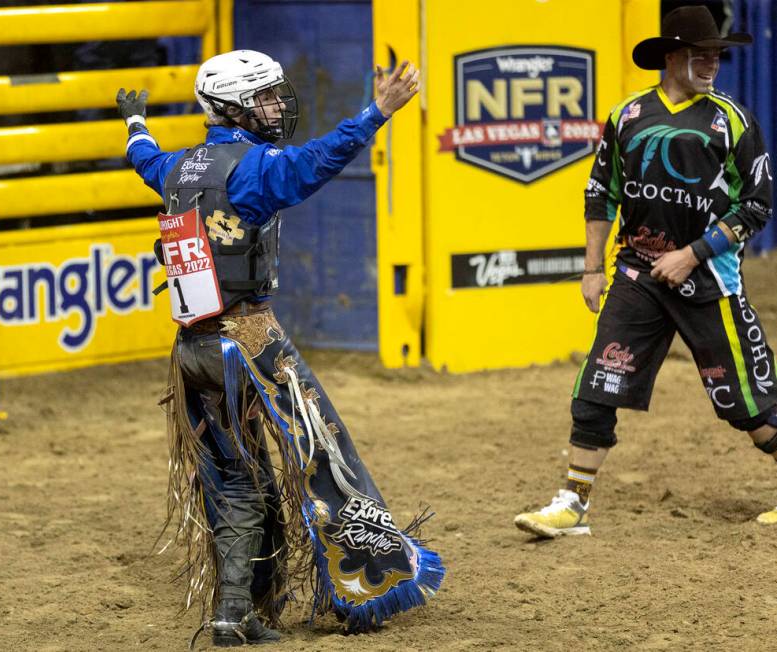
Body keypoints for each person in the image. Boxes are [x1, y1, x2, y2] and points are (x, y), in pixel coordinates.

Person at [116, 50, 443, 646]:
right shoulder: (254, 169)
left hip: (192, 350)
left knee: (235, 478)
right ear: (232, 106)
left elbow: (143, 159)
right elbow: (319, 161)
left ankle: (239, 611)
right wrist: (377, 112)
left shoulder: (180, 168)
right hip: (247, 344)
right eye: (264, 97)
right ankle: (354, 580)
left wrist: (135, 123)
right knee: (321, 457)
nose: (276, 107)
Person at [515, 5, 776, 539]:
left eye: (717, 55)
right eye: (702, 54)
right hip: (636, 274)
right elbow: (599, 192)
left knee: (749, 407)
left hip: (710, 280)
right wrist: (592, 269)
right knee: (596, 386)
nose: (712, 63)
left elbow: (756, 205)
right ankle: (571, 505)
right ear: (672, 56)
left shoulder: (732, 121)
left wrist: (692, 253)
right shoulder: (628, 117)